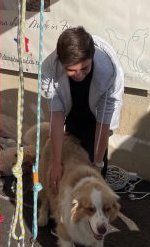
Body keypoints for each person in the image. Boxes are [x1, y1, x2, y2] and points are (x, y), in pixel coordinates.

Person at [42, 26, 124, 190]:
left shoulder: (108, 71)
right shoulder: (50, 68)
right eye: (71, 70)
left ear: (92, 58)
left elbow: (103, 122)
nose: (79, 75)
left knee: (94, 159)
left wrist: (98, 165)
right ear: (61, 63)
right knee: (71, 152)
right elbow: (56, 117)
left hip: (96, 117)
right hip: (73, 110)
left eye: (84, 68)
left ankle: (96, 205)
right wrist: (56, 163)